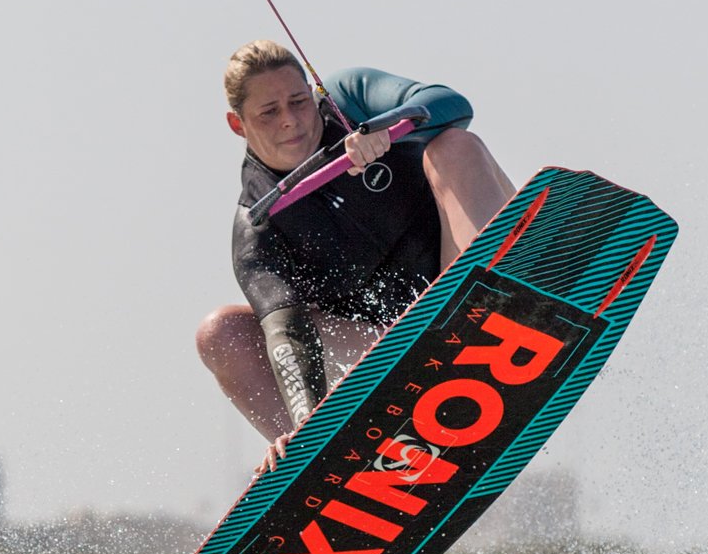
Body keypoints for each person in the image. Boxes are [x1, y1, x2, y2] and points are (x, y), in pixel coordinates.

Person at [195, 40, 514, 460]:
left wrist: (385, 126)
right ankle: (311, 454)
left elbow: (453, 103)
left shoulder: (350, 100)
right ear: (239, 126)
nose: (291, 121)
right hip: (394, 341)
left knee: (455, 146)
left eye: (298, 101)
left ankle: (496, 298)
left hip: (461, 279)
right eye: (269, 112)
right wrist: (306, 415)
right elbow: (287, 334)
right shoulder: (258, 225)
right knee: (221, 333)